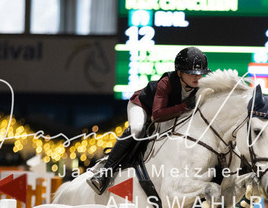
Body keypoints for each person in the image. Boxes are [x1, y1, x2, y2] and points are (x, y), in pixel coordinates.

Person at [88, 46, 211, 194]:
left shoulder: (201, 88)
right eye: (191, 73)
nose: (197, 77)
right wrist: (184, 106)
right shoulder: (166, 83)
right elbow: (157, 115)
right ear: (179, 73)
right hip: (142, 106)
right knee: (137, 129)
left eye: (200, 74)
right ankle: (104, 172)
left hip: (170, 113)